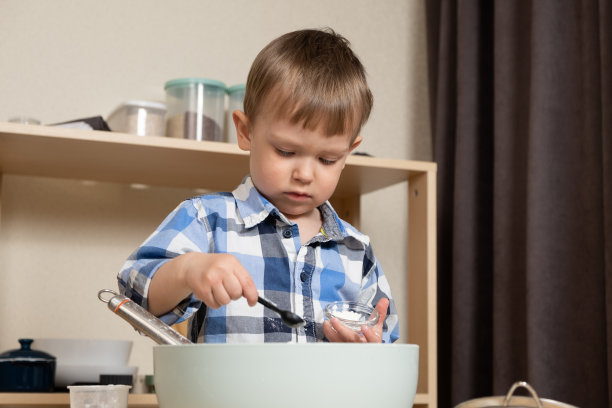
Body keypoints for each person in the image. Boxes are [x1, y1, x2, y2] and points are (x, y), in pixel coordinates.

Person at [118, 28, 399, 344]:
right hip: (227, 396)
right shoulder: (207, 221)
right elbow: (135, 294)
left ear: (348, 153)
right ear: (246, 132)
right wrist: (187, 271)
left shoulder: (356, 249)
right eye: (285, 151)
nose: (305, 174)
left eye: (327, 159)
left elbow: (384, 340)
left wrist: (367, 347)